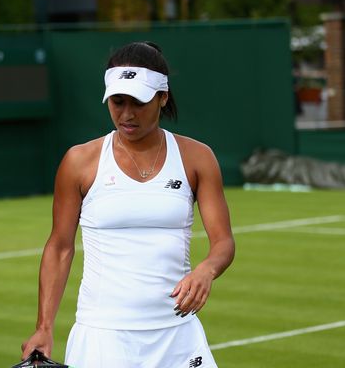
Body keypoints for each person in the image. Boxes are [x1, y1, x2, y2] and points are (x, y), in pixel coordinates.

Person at [21, 42, 234, 367]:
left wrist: (207, 269)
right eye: (118, 102)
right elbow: (60, 247)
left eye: (139, 102)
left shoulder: (198, 158)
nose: (127, 113)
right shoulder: (79, 162)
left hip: (178, 335)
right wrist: (44, 327)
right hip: (103, 339)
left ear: (162, 97)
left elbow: (223, 242)